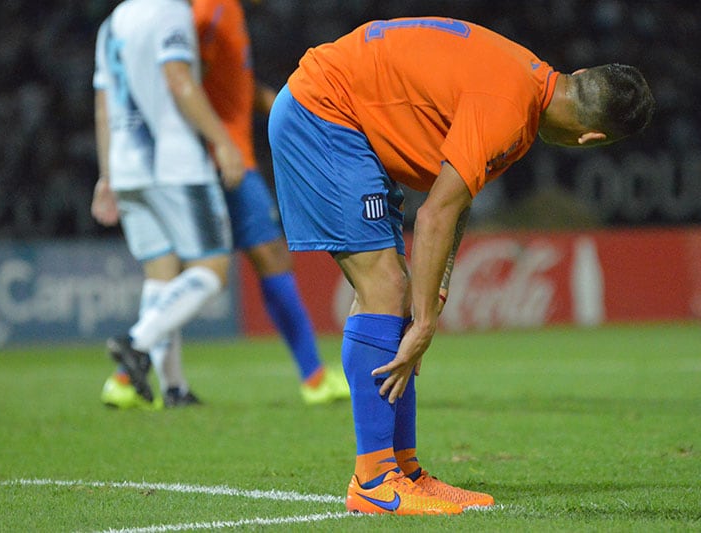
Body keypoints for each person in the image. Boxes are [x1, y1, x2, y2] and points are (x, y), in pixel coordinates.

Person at [268, 17, 655, 515]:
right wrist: (425, 326)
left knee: (401, 296)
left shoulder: (529, 85)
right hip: (322, 113)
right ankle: (373, 480)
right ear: (593, 139)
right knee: (385, 287)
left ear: (577, 73)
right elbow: (433, 217)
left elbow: (456, 197)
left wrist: (438, 290)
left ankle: (403, 469)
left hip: (339, 112)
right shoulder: (510, 109)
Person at [97, 0, 349, 409]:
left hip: (202, 153)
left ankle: (128, 379)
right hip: (214, 158)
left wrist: (273, 102)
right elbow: (180, 77)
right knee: (255, 259)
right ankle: (315, 378)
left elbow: (229, 80)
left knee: (170, 269)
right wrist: (217, 142)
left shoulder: (220, 9)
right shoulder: (205, 12)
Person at [92, 0, 245, 407]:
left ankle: (174, 388)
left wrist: (107, 175)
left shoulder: (113, 22)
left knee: (161, 274)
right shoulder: (170, 13)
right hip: (173, 162)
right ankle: (135, 342)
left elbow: (104, 103)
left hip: (127, 167)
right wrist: (222, 140)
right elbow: (179, 79)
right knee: (212, 270)